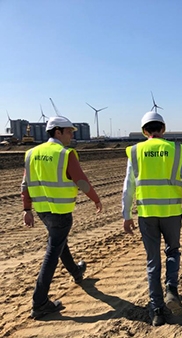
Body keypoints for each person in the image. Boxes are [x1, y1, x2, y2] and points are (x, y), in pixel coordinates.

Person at [21, 116, 102, 319]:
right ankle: (39, 303)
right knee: (52, 253)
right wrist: (95, 199)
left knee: (59, 242)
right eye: (69, 131)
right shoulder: (65, 154)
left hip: (43, 211)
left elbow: (25, 185)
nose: (72, 135)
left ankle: (76, 271)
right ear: (57, 132)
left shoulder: (31, 153)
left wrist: (27, 209)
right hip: (61, 212)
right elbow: (81, 181)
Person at [122, 111, 182, 326]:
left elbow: (128, 187)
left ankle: (156, 311)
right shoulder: (175, 150)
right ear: (163, 129)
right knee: (173, 251)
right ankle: (171, 290)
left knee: (153, 260)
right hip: (172, 213)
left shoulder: (135, 152)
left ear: (145, 131)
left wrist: (126, 215)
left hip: (147, 215)